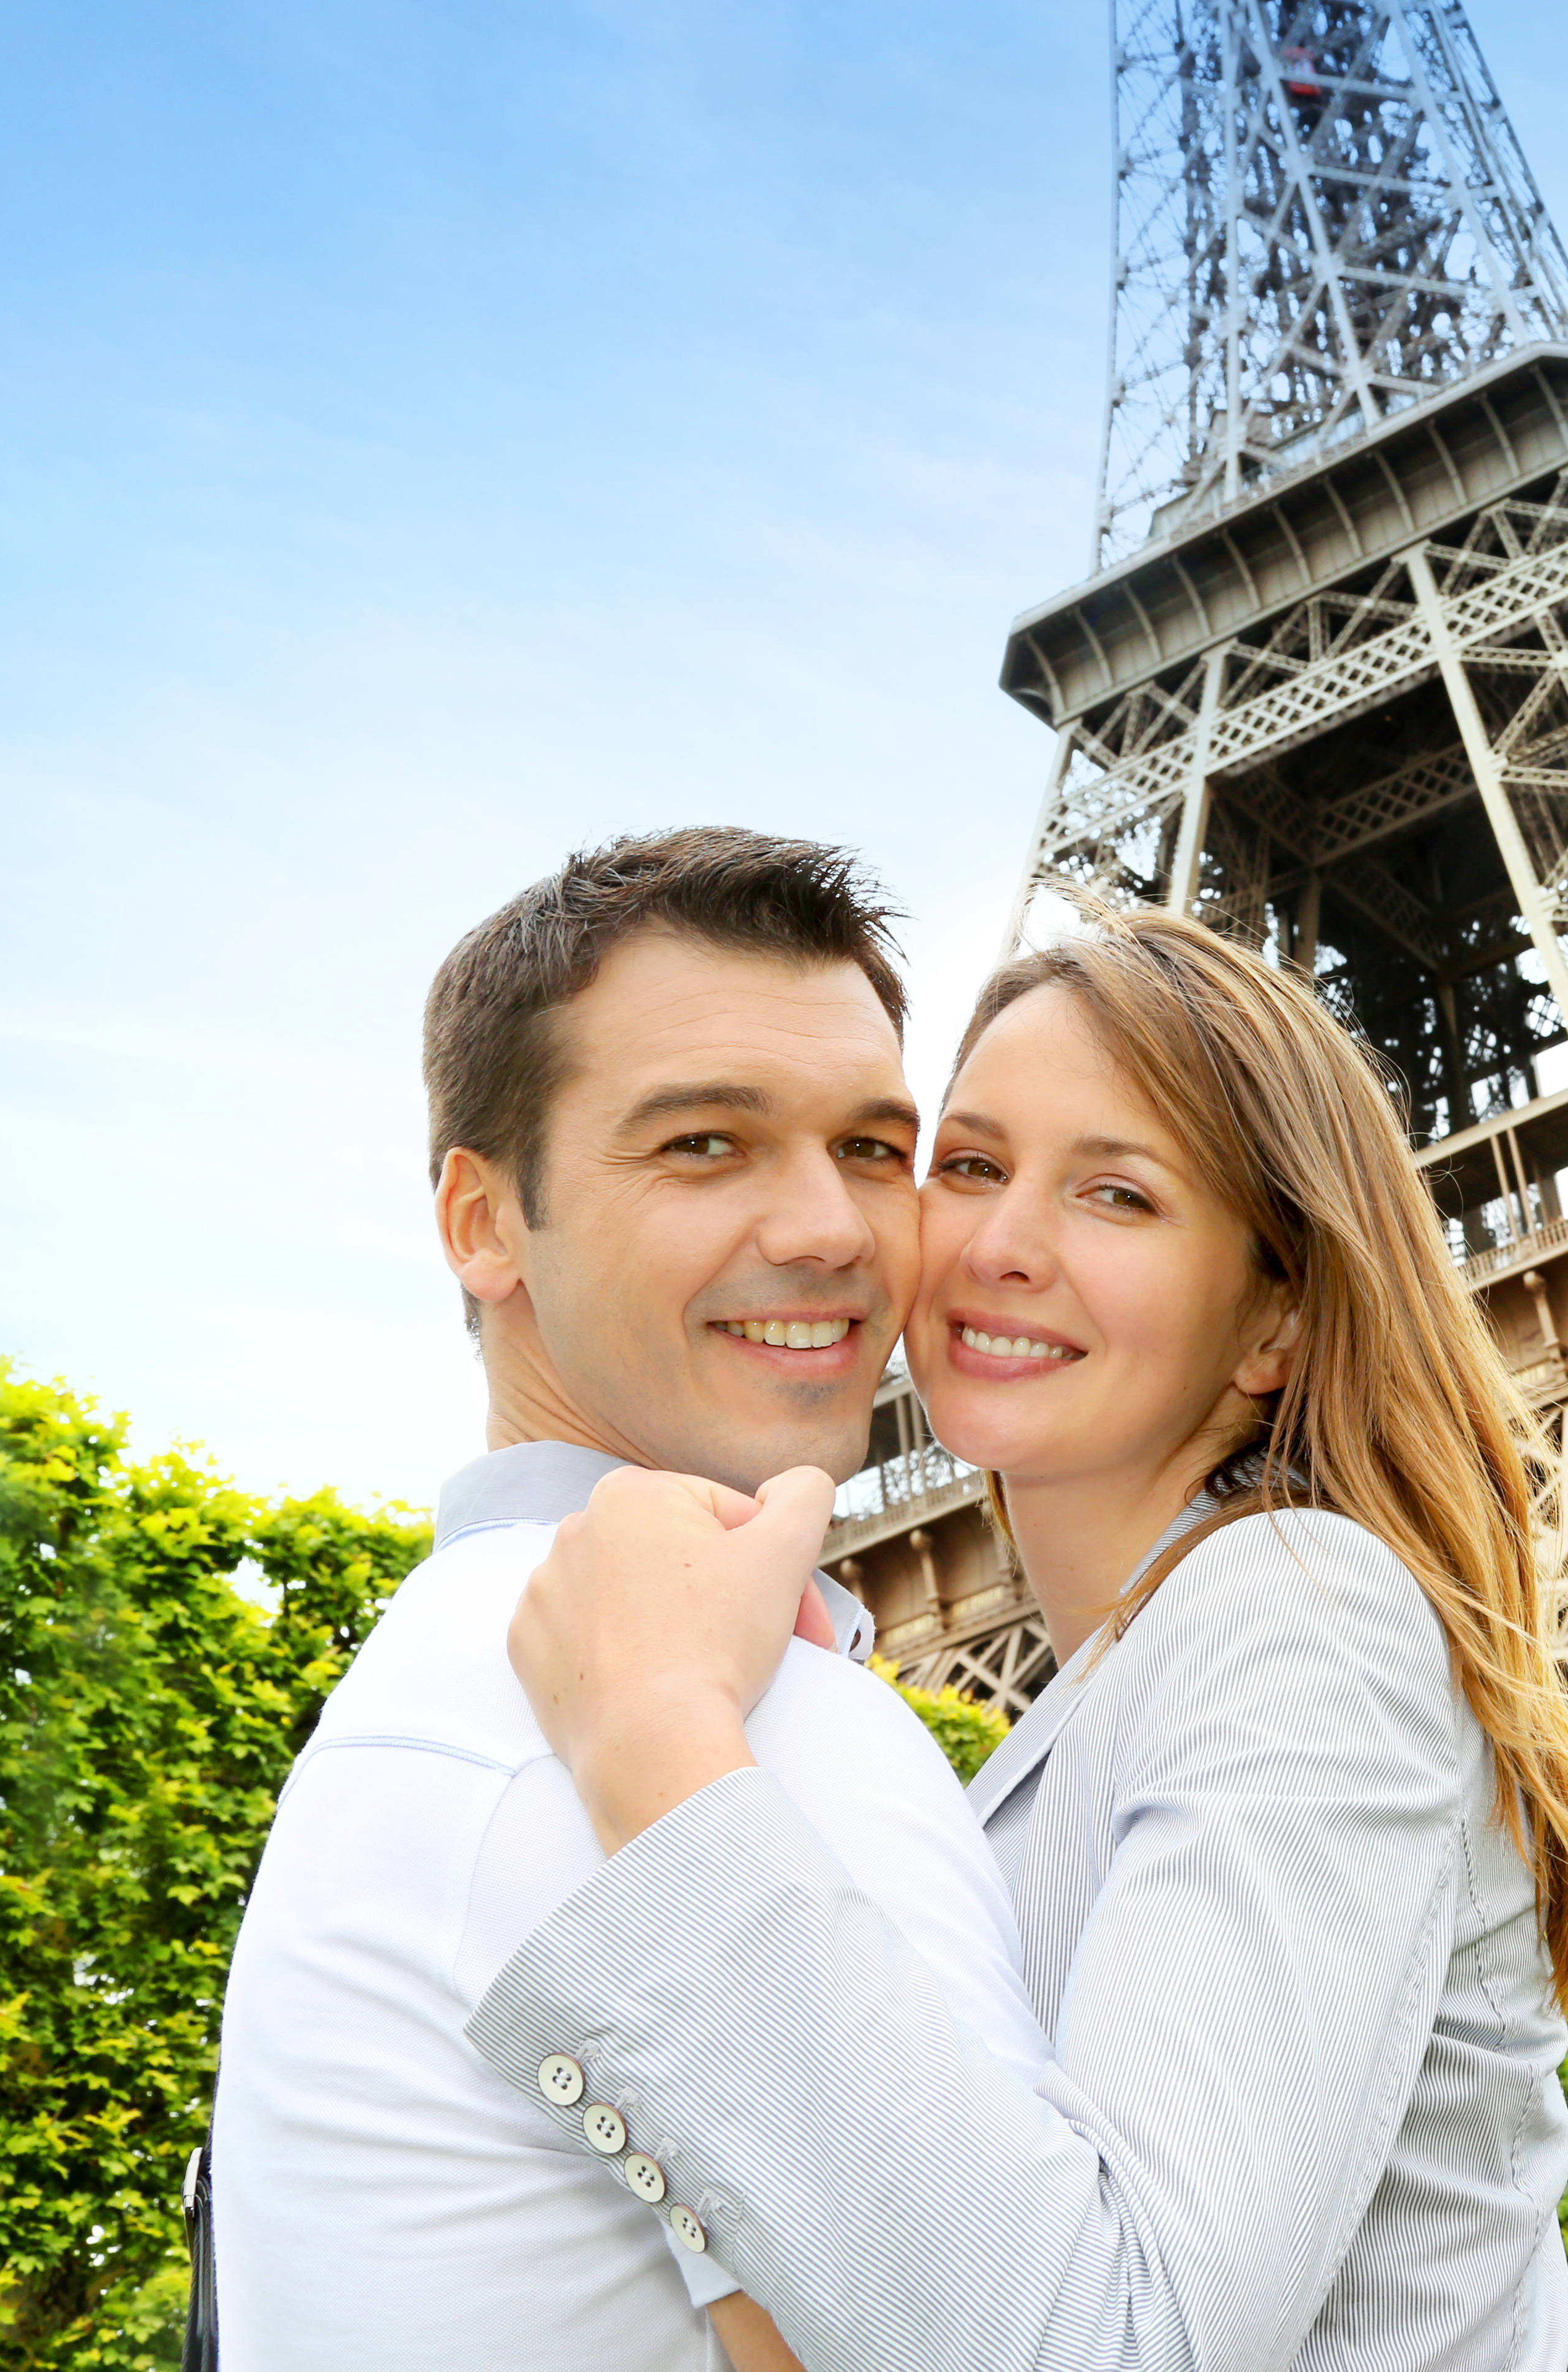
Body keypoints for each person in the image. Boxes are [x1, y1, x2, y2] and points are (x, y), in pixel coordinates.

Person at [467, 904, 1568, 2370]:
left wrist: (656, 1746)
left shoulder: (1300, 1609)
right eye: (968, 1167)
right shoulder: (1087, 1716)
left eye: (1120, 1197)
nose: (1003, 1246)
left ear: (1274, 1319)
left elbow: (1119, 2346)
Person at [211, 830, 1047, 2371]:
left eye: (874, 1148)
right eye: (703, 1145)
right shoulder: (719, 1722)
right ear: (480, 1221)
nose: (833, 1230)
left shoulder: (434, 1689)